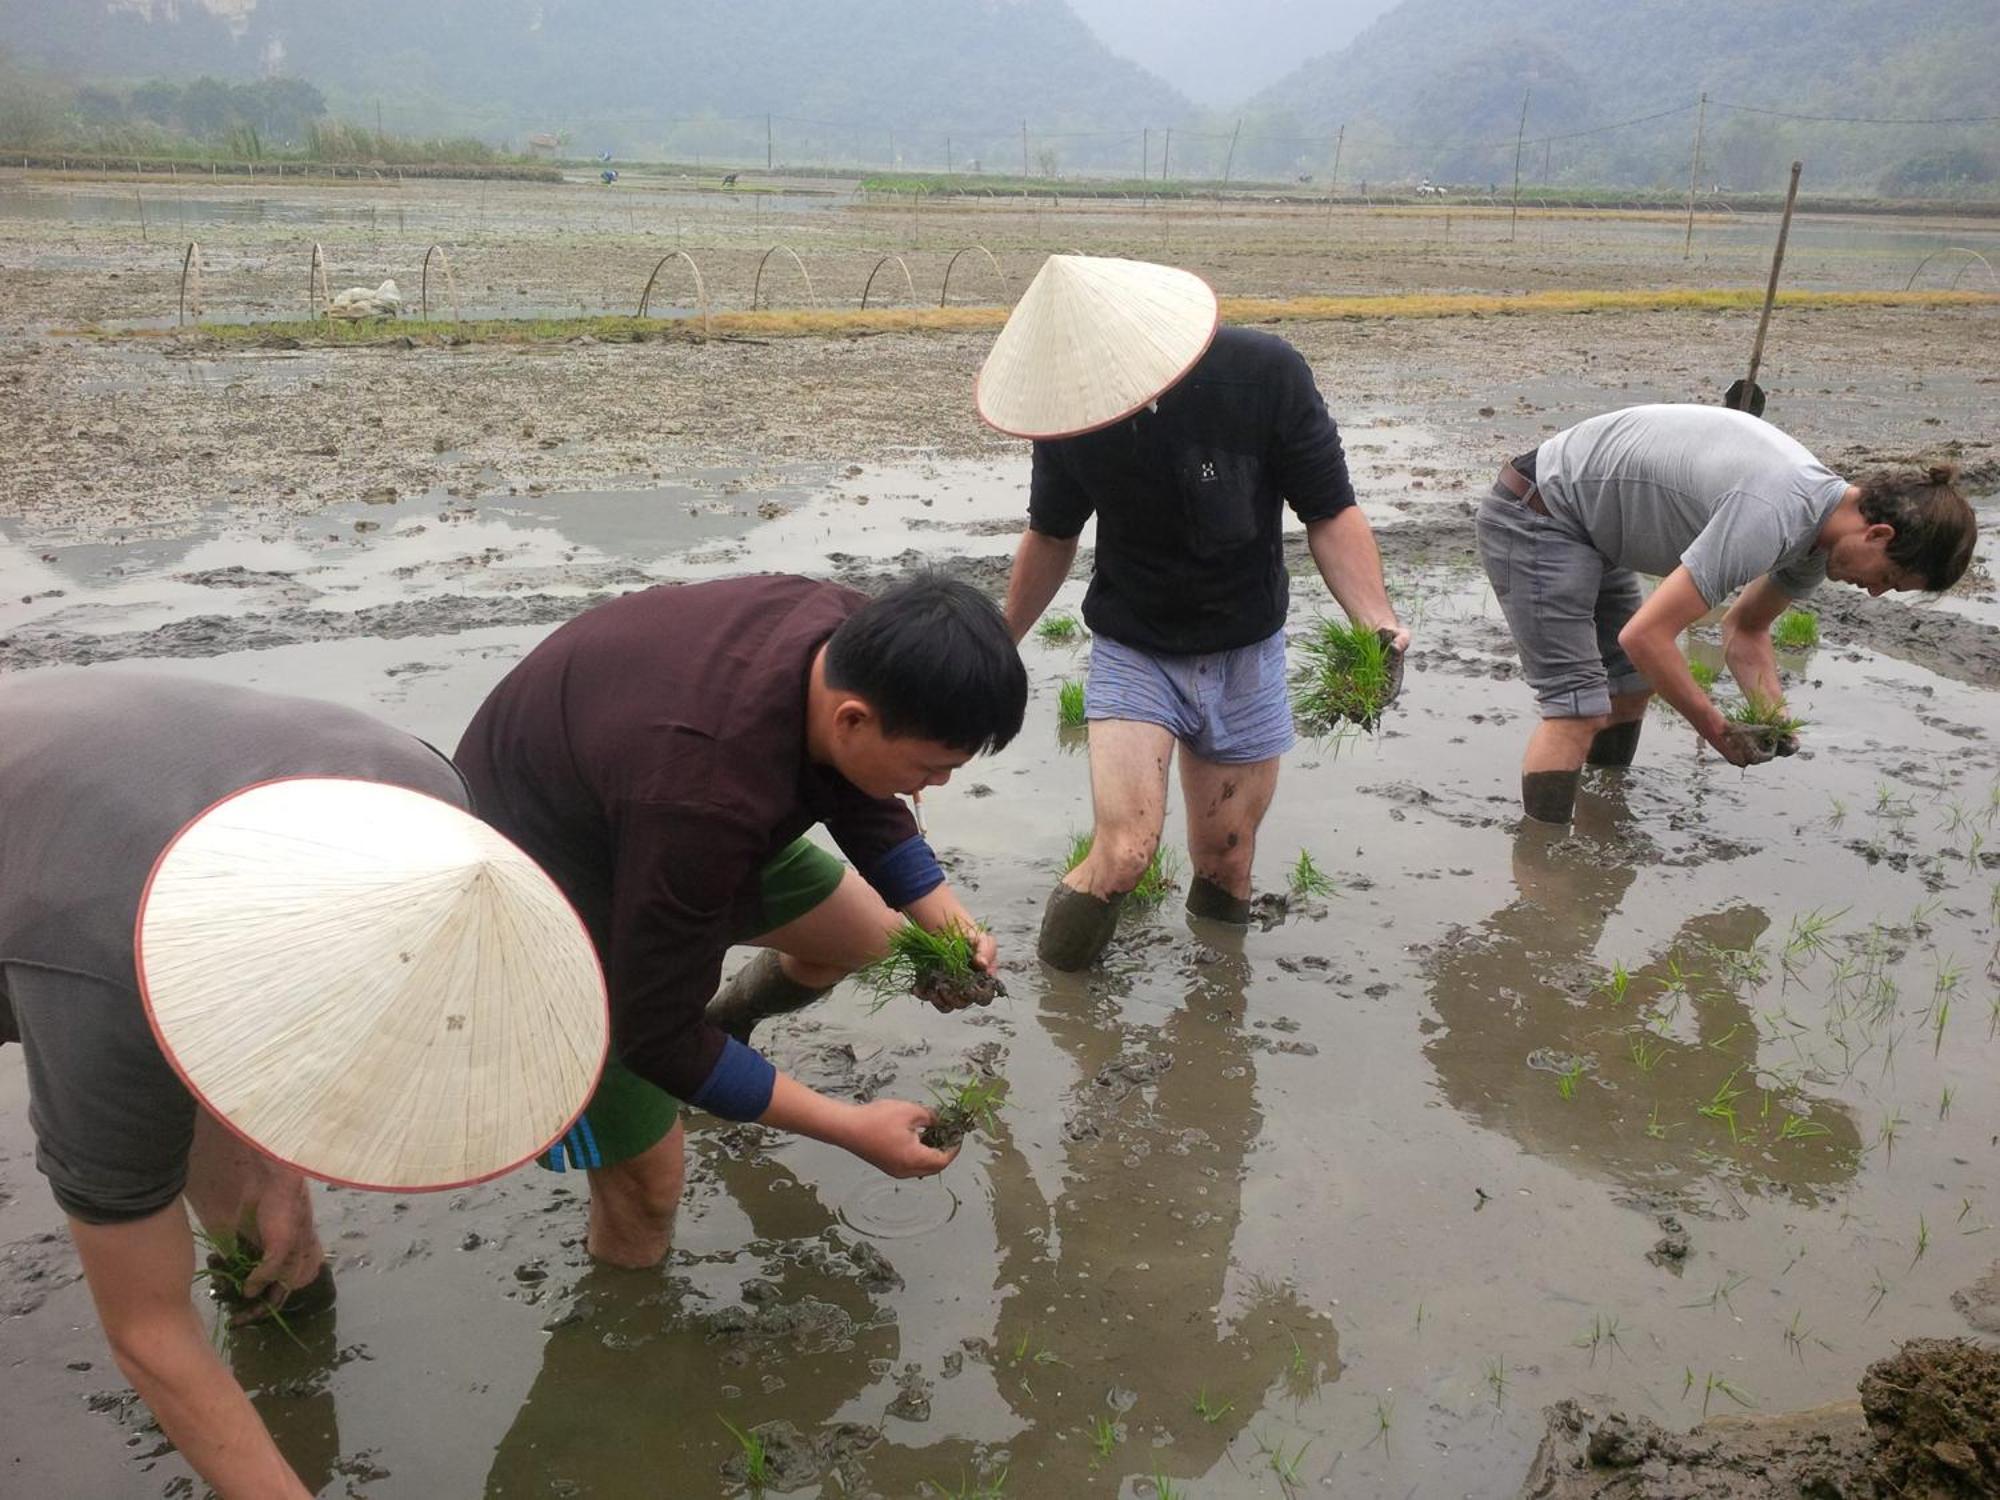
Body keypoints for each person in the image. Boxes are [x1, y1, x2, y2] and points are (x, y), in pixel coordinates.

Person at [0, 671, 606, 1500]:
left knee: (265, 1223)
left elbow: (278, 1019)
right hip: (57, 881)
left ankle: (276, 1323)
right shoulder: (100, 978)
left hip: (98, 805)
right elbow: (147, 1330)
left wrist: (278, 1160)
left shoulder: (432, 813)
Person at [454, 572, 1028, 1268]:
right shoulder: (705, 797)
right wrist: (848, 1127)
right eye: (932, 769)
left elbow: (860, 783)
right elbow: (654, 1036)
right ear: (851, 719)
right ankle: (628, 1318)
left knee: (868, 936)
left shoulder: (845, 634)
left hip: (644, 811)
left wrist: (944, 920)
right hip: (545, 882)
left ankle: (722, 1038)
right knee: (650, 1188)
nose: (934, 786)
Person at [979, 253, 1408, 970]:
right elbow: (1053, 533)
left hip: (1245, 645)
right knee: (1123, 853)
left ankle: (1218, 1016)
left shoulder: (1265, 373)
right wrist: (998, 641)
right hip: (1135, 643)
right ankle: (1060, 1005)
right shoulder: (1071, 414)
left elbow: (1329, 510)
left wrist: (1376, 618)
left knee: (1227, 859)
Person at [1476, 403, 1976, 823]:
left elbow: (1747, 629)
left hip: (1593, 530)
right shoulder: (1774, 511)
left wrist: (1773, 718)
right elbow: (1645, 637)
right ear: (1878, 534)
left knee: (1629, 688)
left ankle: (1602, 817)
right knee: (1577, 710)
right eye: (1888, 579)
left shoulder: (1819, 544)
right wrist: (1715, 729)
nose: (1874, 594)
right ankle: (1548, 874)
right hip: (1539, 512)